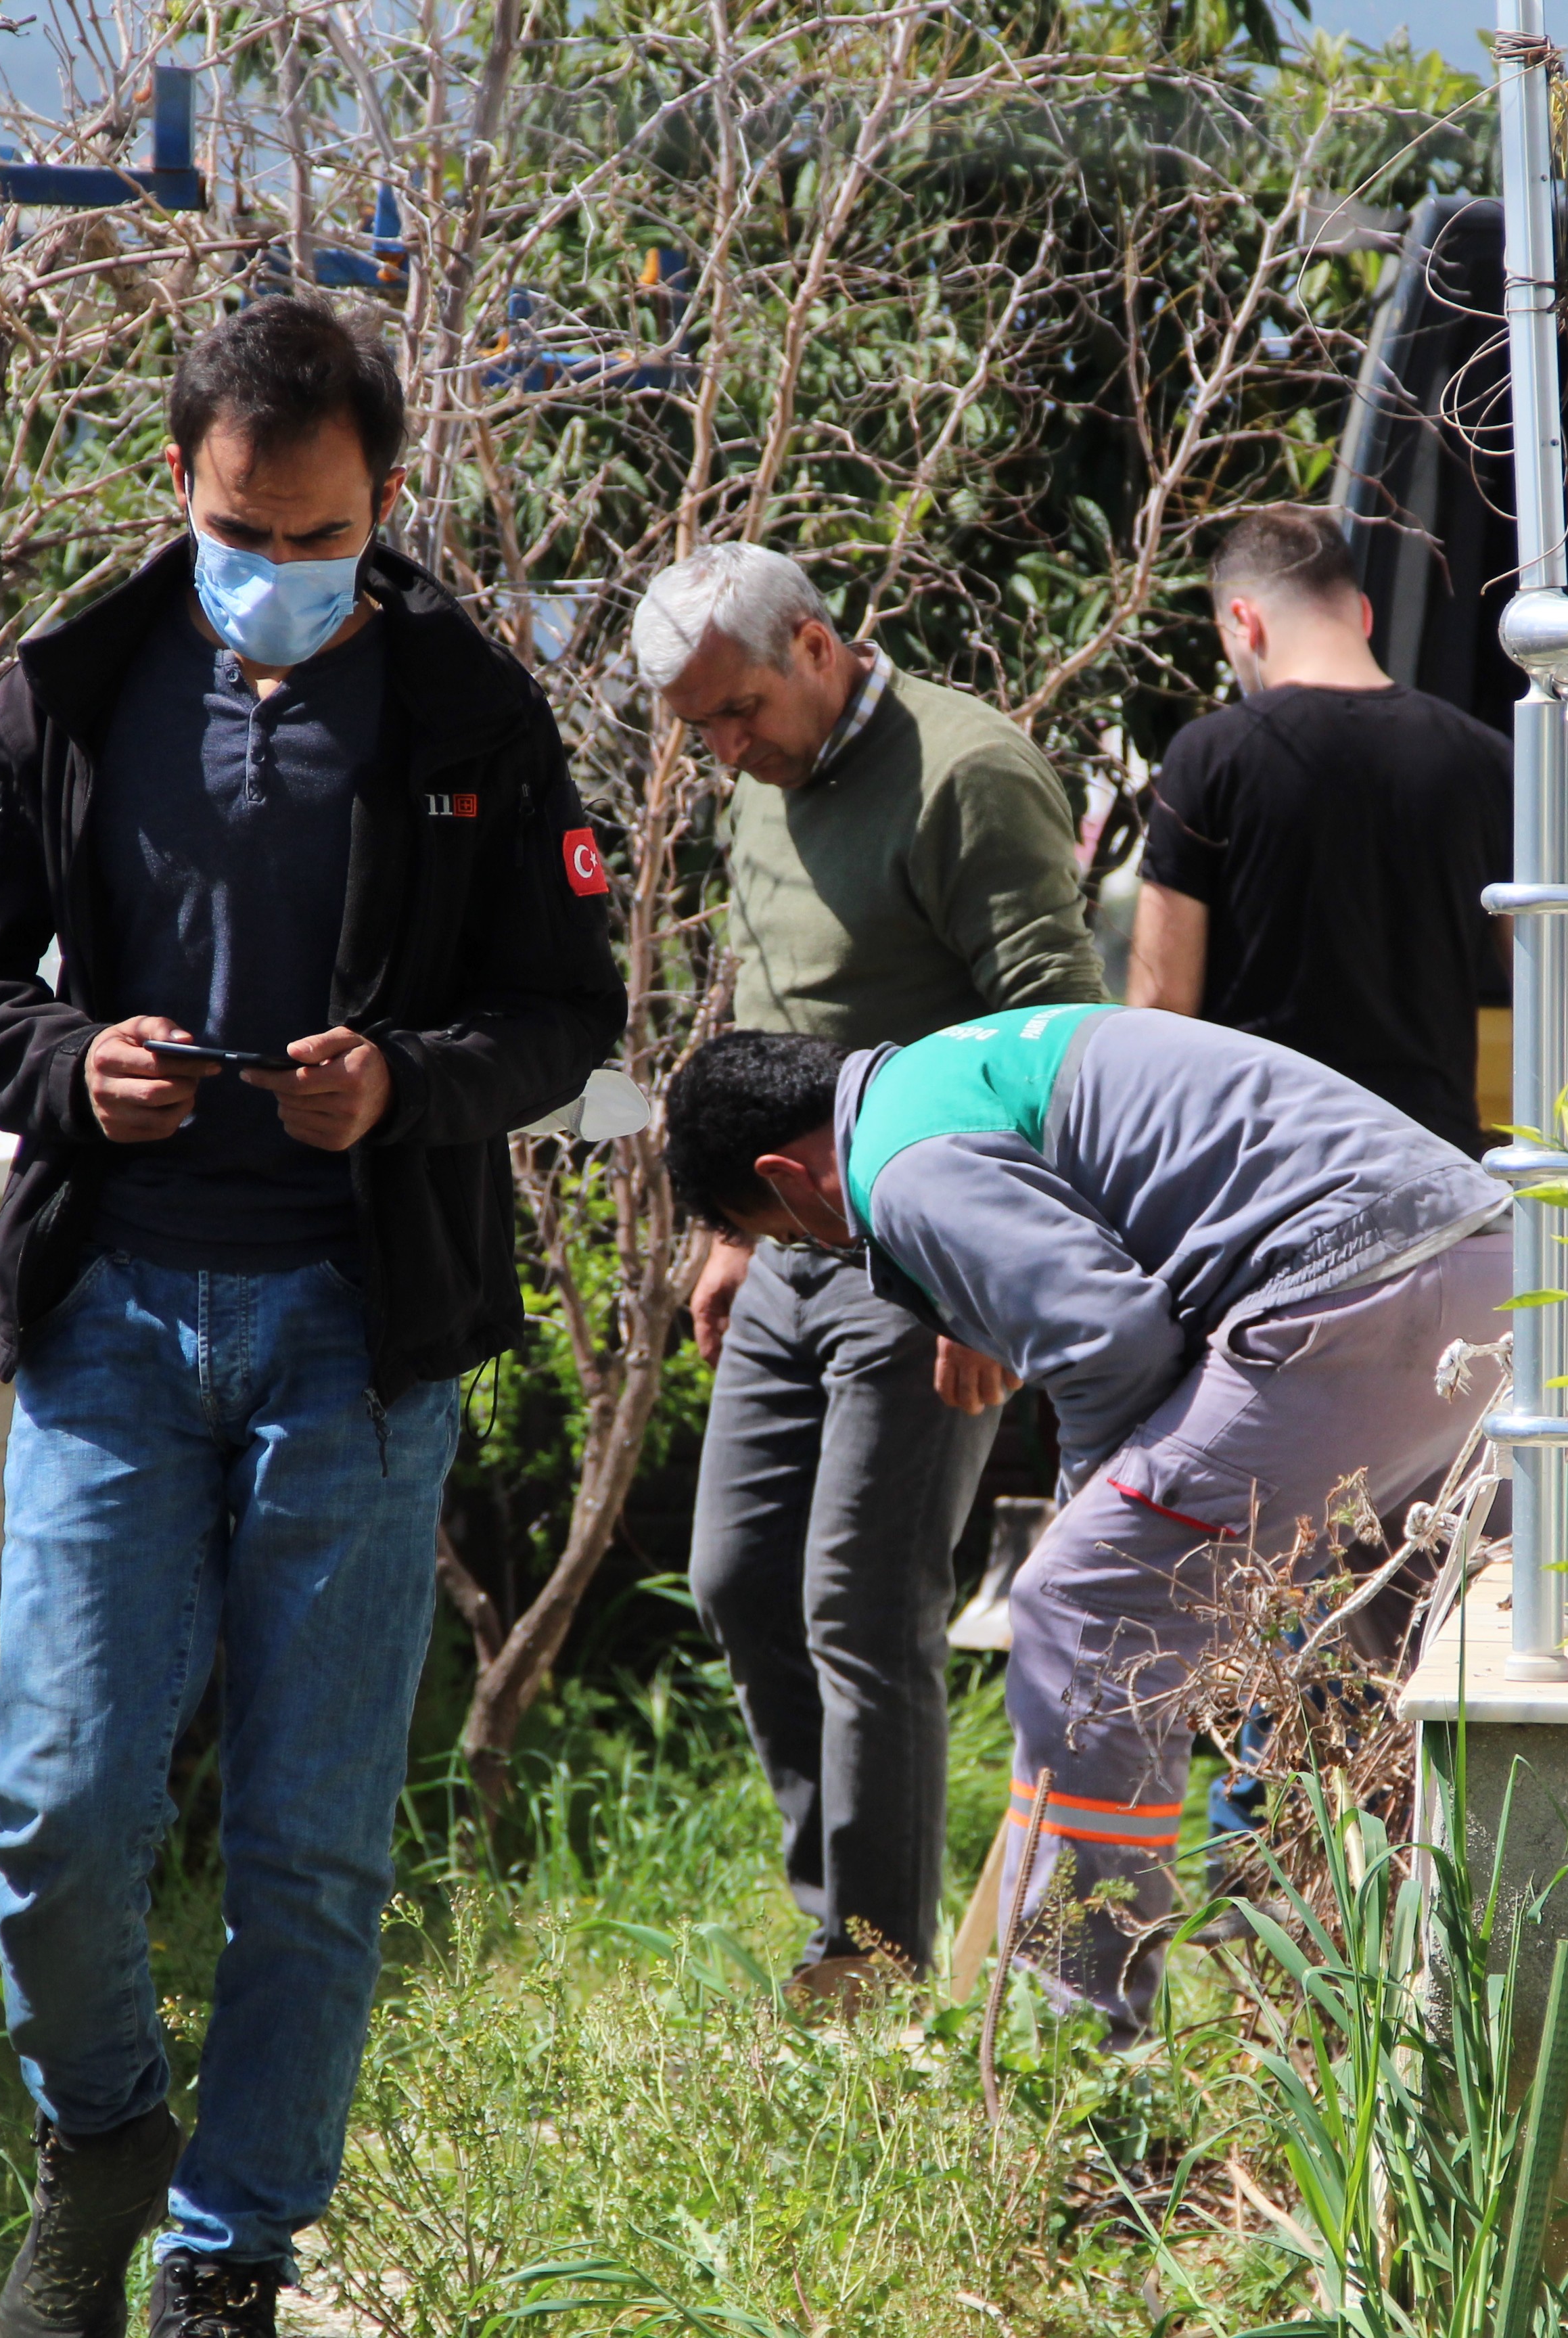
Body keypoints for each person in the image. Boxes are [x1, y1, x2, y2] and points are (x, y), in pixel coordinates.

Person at [0, 294, 625, 2338]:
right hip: (114, 1308)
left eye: (314, 536)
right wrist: (58, 1064)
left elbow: (572, 1015)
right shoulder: (72, 687)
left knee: (305, 1850)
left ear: (385, 501)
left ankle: (229, 2259)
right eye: (237, 528)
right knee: (54, 1801)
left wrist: (403, 1084)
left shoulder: (477, 715)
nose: (272, 574)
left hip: (355, 1333)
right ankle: (101, 2127)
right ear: (181, 492)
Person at [658, 1005, 1510, 2033]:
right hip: (1490, 1275)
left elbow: (1109, 1340)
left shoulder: (898, 1162)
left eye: (786, 1240)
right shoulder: (949, 1072)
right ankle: (1472, 2008)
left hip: (1348, 1294)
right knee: (1427, 1663)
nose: (816, 1251)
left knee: (1079, 1607)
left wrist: (1088, 1515)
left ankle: (1076, 2058)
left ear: (786, 1180)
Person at [635, 542, 1105, 2007]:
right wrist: (728, 1232)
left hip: (930, 1249)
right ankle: (835, 1914)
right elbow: (772, 1014)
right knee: (738, 1578)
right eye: (702, 729)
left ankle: (879, 1964)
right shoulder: (764, 789)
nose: (727, 750)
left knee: (862, 1599)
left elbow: (1060, 1049)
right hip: (789, 1240)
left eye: (741, 712)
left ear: (820, 647)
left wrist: (990, 1290)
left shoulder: (968, 774)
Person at [1128, 505, 1513, 1157]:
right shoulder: (1489, 760)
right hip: (1434, 1166)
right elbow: (1536, 979)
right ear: (1363, 614)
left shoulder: (1209, 755)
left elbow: (1162, 1006)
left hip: (1263, 1170)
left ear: (1244, 623)